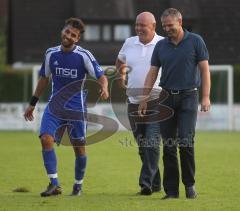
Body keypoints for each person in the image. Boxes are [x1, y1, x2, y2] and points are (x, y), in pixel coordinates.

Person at [24, 17, 109, 197]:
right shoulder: (50, 53)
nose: (68, 36)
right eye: (67, 32)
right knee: (46, 138)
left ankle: (78, 185)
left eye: (73, 35)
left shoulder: (83, 55)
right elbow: (44, 79)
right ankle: (54, 183)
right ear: (63, 31)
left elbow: (101, 75)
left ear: (77, 39)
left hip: (76, 110)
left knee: (79, 148)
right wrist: (32, 104)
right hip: (54, 107)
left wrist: (104, 86)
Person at [139, 8, 211, 199]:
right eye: (164, 26)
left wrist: (206, 96)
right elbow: (152, 73)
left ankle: (189, 185)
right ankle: (171, 192)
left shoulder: (196, 41)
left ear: (180, 22)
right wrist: (144, 98)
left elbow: (205, 70)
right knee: (169, 145)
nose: (167, 29)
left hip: (189, 96)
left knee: (186, 142)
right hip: (166, 97)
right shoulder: (161, 46)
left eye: (170, 25)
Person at [115, 12, 164, 195]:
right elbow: (120, 60)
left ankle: (145, 184)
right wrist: (121, 75)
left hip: (157, 101)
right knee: (143, 148)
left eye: (142, 25)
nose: (138, 28)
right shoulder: (129, 42)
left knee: (151, 143)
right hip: (133, 103)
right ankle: (156, 183)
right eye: (137, 25)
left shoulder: (163, 44)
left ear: (153, 26)